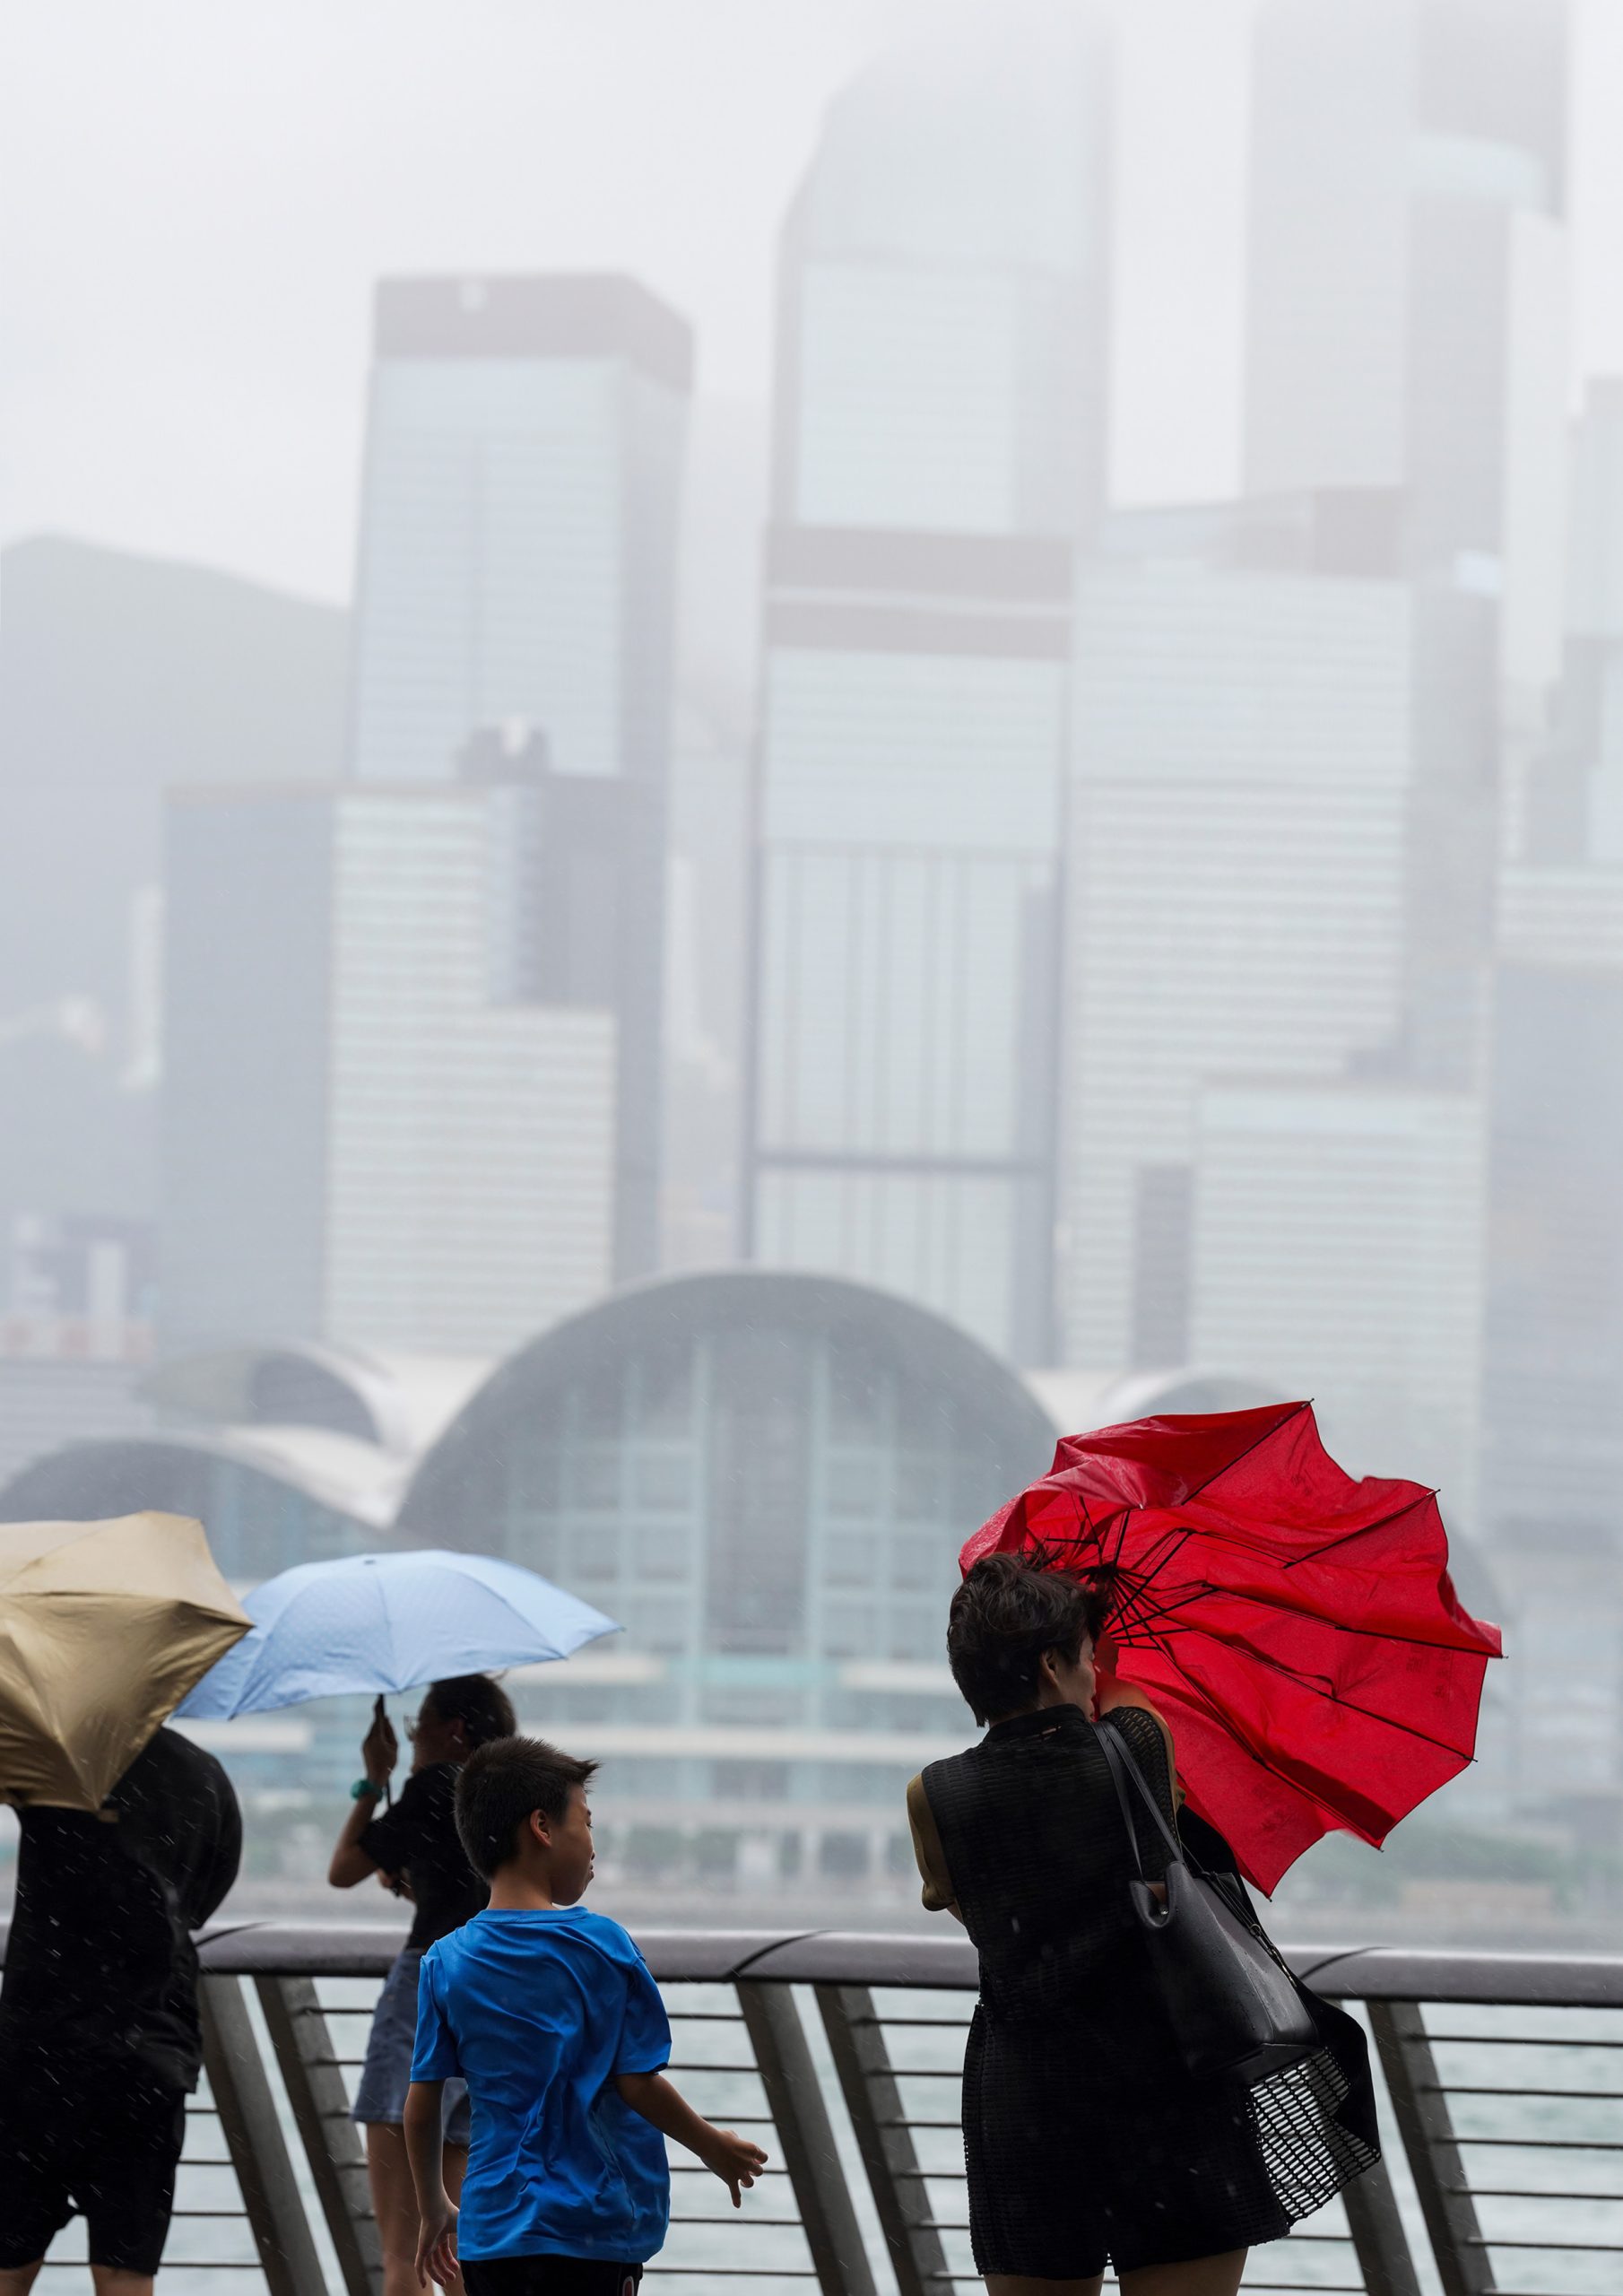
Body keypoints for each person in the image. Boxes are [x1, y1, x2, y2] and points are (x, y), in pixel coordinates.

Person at [907, 1555, 1378, 2296]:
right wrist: (1104, 1646)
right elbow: (1126, 1770)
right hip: (1165, 2083)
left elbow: (970, 1911)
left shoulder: (932, 1792)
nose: (1096, 1672)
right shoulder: (1136, 1739)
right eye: (1085, 1658)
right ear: (1054, 1661)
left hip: (1028, 2098)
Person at [404, 1733, 768, 2294]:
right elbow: (637, 2084)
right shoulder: (602, 1945)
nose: (593, 1845)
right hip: (590, 2229)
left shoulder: (445, 1961)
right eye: (587, 1823)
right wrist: (710, 2145)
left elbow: (422, 2102)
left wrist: (434, 2206)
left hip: (492, 2233)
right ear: (543, 1829)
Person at [0, 1724, 242, 2296]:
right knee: (126, 2267)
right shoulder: (205, 1774)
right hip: (149, 2051)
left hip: (42, 2051)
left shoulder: (62, 1762)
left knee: (8, 2255)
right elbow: (203, 1899)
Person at [329, 1674, 516, 2296]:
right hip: (494, 2003)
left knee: (406, 2256)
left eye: (418, 1729)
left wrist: (374, 1780)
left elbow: (344, 1869)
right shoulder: (503, 1798)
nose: (412, 1742)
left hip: (426, 1998)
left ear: (452, 1731)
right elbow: (463, 1882)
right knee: (453, 2251)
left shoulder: (436, 1785)